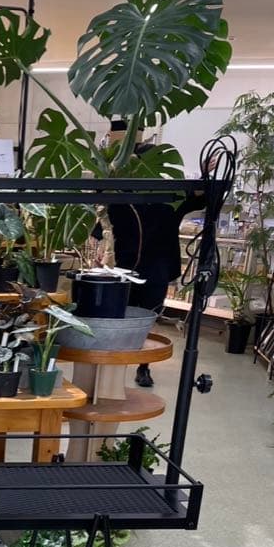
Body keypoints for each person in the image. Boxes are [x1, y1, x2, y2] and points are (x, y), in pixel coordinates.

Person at [93, 121, 205, 386]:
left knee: (133, 316)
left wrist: (205, 178)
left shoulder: (164, 197)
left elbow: (201, 197)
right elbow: (102, 226)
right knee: (143, 316)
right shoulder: (139, 196)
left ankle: (134, 366)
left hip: (141, 265)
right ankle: (135, 366)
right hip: (138, 266)